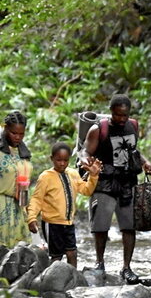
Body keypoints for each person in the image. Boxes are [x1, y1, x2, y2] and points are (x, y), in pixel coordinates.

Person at [80, 94, 151, 284]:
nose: (121, 119)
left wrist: (145, 162)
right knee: (101, 226)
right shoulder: (99, 129)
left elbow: (134, 150)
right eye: (118, 115)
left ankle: (127, 267)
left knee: (129, 226)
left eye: (125, 115)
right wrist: (85, 161)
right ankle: (99, 263)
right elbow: (85, 150)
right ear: (111, 112)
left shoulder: (133, 126)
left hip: (127, 182)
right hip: (104, 181)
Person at [26, 143, 102, 267]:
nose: (62, 163)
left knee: (72, 252)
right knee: (56, 256)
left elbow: (86, 190)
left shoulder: (73, 174)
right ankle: (53, 279)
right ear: (52, 159)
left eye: (65, 160)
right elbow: (36, 199)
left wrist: (93, 176)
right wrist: (32, 218)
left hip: (68, 223)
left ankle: (73, 279)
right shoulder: (45, 177)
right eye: (58, 160)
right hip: (52, 224)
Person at [0, 111, 33, 248]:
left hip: (19, 206)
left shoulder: (23, 153)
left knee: (19, 252)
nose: (18, 137)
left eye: (21, 134)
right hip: (1, 205)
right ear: (6, 128)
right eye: (14, 133)